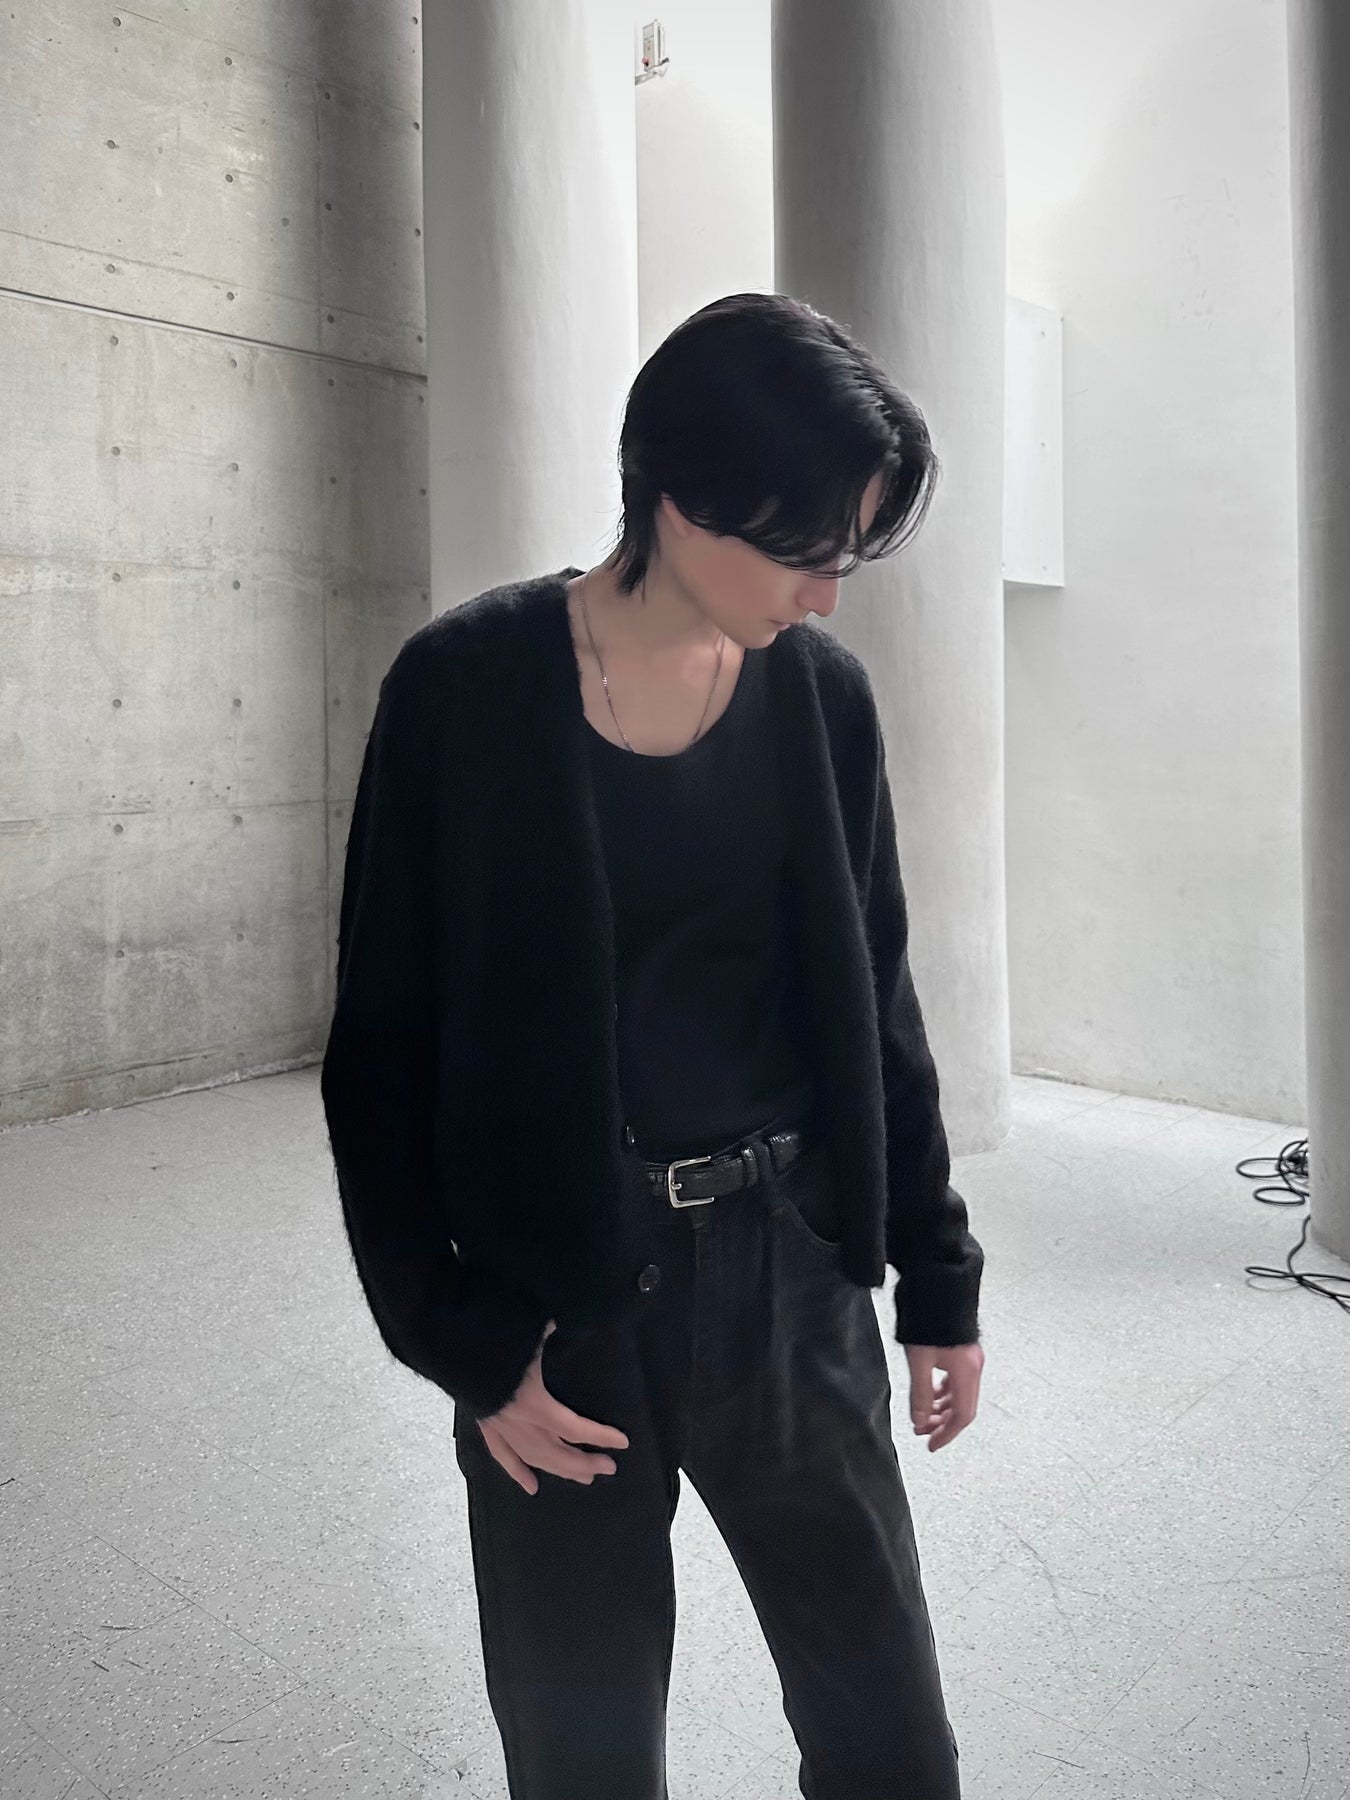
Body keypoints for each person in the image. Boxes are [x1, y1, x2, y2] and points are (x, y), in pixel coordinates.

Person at [321, 290, 985, 1799]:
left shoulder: (822, 700)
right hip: (560, 1303)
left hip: (789, 1279)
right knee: (584, 1752)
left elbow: (876, 1001)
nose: (827, 597)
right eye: (809, 551)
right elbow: (382, 1049)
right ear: (685, 497)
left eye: (850, 555)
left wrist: (935, 1274)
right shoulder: (461, 688)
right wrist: (458, 1339)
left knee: (890, 1739)